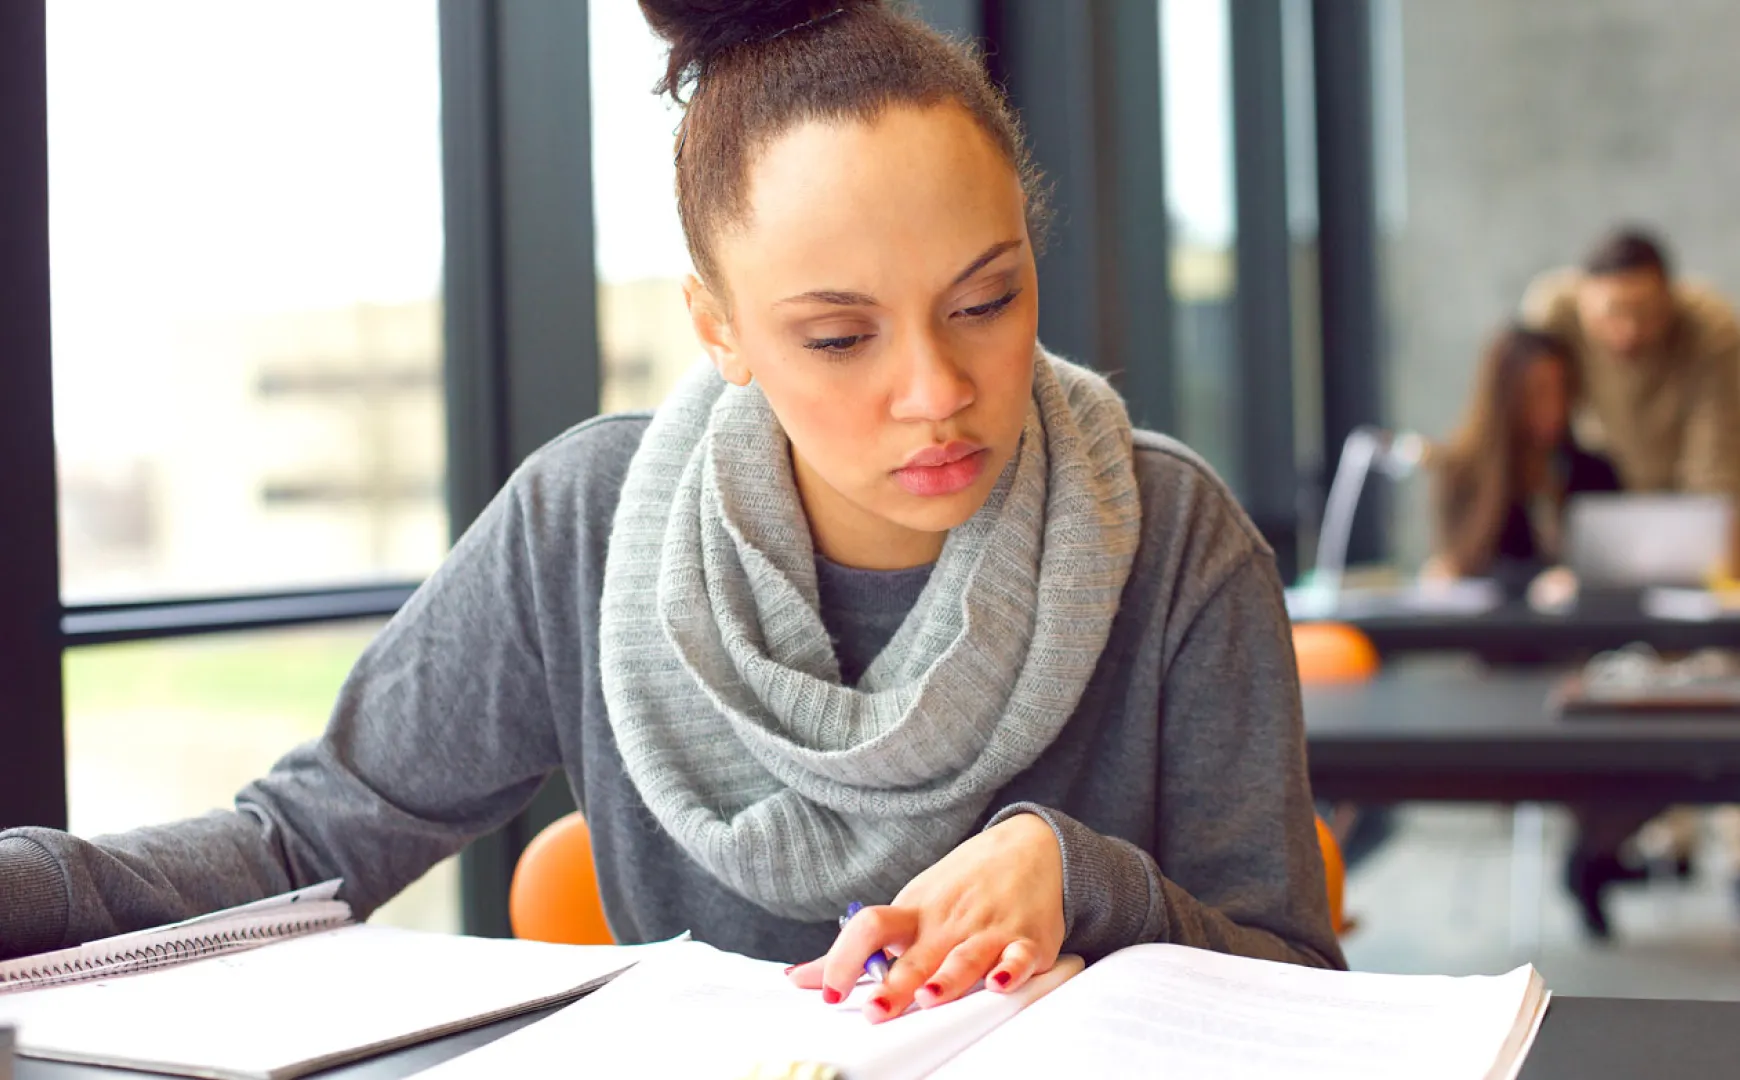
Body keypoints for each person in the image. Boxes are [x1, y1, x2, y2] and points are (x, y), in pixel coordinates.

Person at [0, 0, 1343, 1022]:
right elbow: (300, 847)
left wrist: (1082, 879)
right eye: (837, 338)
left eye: (986, 301)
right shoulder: (586, 528)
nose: (937, 391)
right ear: (720, 328)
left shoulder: (1169, 536)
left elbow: (1304, 987)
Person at [1523, 229, 1740, 938]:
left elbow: (1716, 474)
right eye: (1609, 313)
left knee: (1703, 677)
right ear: (1581, 300)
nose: (1626, 331)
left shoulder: (1712, 332)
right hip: (1608, 522)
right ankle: (1601, 846)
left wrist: (1708, 563)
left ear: (1670, 299)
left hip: (1695, 521)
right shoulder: (1550, 310)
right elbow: (1526, 404)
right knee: (1592, 688)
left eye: (1643, 313)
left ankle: (1696, 848)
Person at [1429, 324, 1621, 605]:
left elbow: (1617, 566)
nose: (1554, 407)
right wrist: (1534, 583)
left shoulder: (1594, 470)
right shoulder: (1463, 472)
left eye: (1563, 390)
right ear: (1507, 396)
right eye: (1538, 392)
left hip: (1585, 636)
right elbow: (1461, 568)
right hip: (1501, 636)